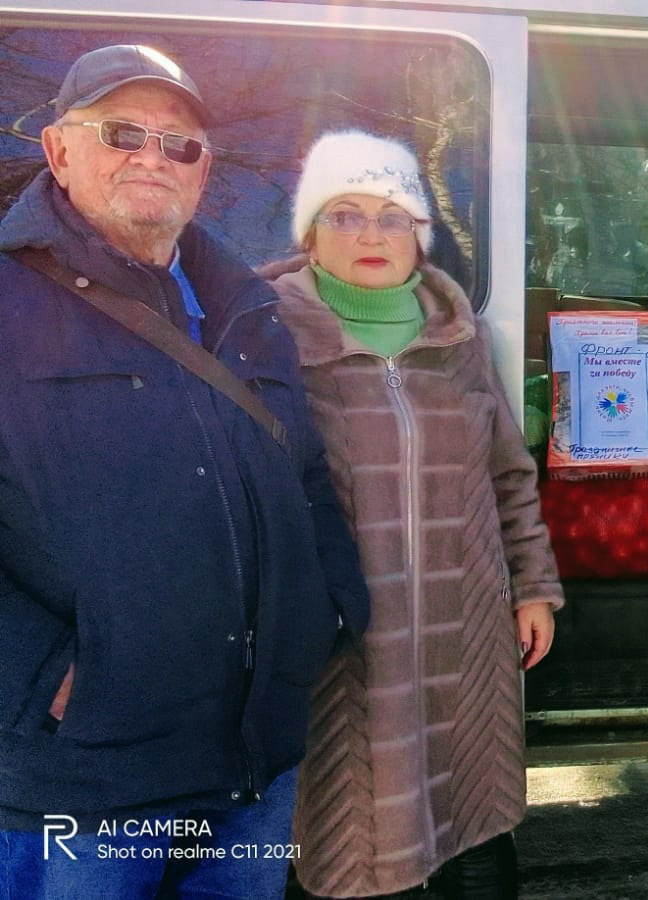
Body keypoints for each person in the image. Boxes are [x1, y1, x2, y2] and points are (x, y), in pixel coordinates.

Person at [0, 44, 369, 898]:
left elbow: (306, 477)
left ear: (204, 175)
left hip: (250, 767)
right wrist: (35, 680)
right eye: (121, 132)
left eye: (181, 144)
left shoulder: (249, 309)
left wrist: (331, 611)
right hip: (85, 780)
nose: (152, 158)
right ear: (58, 149)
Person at [258, 130, 564, 899]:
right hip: (346, 642)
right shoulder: (264, 337)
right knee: (354, 827)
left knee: (474, 816)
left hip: (467, 628)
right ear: (310, 234)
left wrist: (532, 587)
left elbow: (508, 473)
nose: (370, 234)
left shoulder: (458, 337)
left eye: (392, 215)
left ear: (419, 235)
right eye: (345, 214)